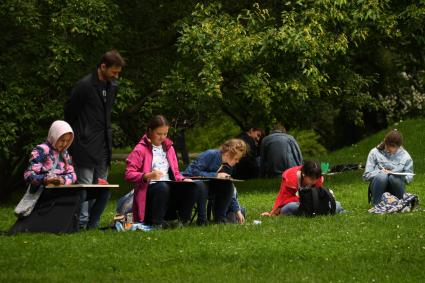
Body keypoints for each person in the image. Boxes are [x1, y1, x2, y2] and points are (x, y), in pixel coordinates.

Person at [64, 50, 125, 229]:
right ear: (103, 66)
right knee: (85, 186)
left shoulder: (112, 86)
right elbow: (69, 112)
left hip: (103, 144)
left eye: (118, 73)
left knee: (101, 186)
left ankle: (93, 224)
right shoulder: (84, 86)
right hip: (84, 143)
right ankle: (80, 224)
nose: (116, 75)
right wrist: (82, 133)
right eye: (114, 72)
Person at [124, 115, 198, 228]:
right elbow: (128, 174)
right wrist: (147, 175)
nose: (162, 137)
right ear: (150, 131)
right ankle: (157, 223)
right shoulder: (140, 149)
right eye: (159, 134)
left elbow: (176, 173)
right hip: (150, 189)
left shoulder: (169, 148)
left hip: (168, 185)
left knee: (191, 186)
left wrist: (183, 179)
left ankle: (182, 222)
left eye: (165, 134)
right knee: (162, 186)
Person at [182, 139, 247, 225]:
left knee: (228, 184)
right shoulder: (210, 154)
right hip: (192, 184)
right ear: (228, 154)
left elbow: (231, 191)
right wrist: (215, 175)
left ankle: (220, 219)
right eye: (236, 158)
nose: (237, 161)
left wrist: (237, 210)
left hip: (211, 187)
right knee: (203, 185)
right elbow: (193, 172)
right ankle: (202, 219)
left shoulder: (228, 167)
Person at [261, 160, 344, 216]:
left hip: (313, 204)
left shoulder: (317, 179)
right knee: (289, 207)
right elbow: (283, 198)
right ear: (304, 174)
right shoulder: (291, 178)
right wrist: (272, 213)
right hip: (297, 204)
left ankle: (337, 210)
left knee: (337, 204)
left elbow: (319, 195)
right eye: (311, 179)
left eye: (316, 179)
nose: (314, 182)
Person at [363, 129, 414, 205]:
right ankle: (376, 204)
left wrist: (395, 174)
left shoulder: (405, 156)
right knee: (382, 176)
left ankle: (400, 203)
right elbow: (366, 176)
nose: (389, 150)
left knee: (393, 178)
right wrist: (380, 172)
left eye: (393, 148)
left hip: (396, 187)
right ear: (385, 142)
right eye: (387, 147)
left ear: (399, 147)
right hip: (378, 187)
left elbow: (409, 178)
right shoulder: (374, 152)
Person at [24, 120, 77, 189]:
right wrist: (46, 179)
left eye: (67, 141)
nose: (64, 144)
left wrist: (62, 180)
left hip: (60, 189)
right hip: (43, 190)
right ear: (54, 136)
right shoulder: (41, 150)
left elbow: (72, 174)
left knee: (82, 193)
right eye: (62, 140)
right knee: (79, 196)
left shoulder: (64, 153)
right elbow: (28, 175)